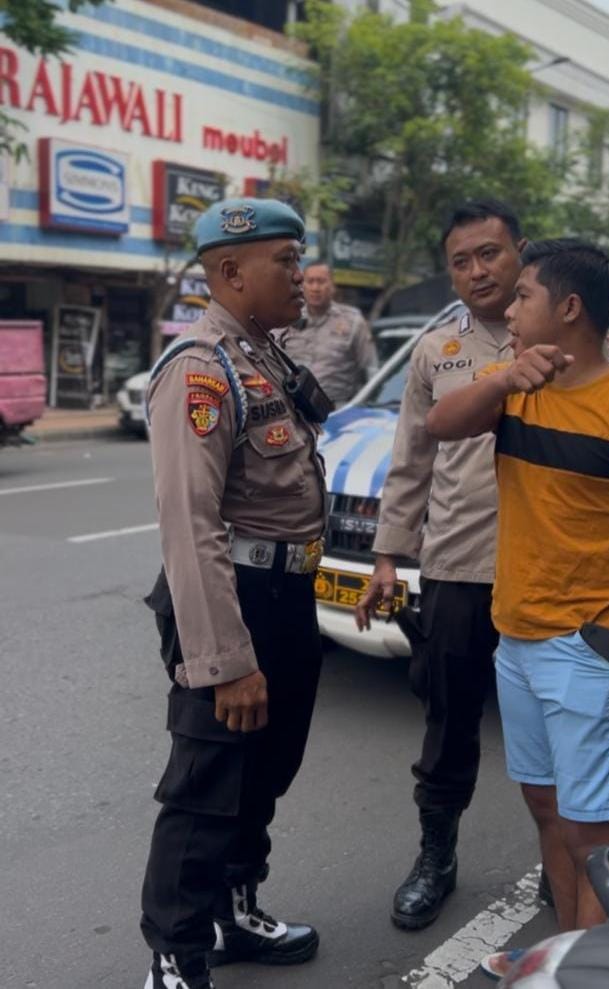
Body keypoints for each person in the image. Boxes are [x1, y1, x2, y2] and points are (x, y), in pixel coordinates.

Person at [426, 239, 609, 978]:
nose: (508, 308)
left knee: (594, 835)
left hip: (595, 646)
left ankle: (603, 970)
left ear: (569, 308)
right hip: (516, 637)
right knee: (548, 810)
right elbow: (438, 424)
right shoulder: (512, 384)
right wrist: (498, 385)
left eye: (522, 296)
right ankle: (564, 957)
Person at [140, 197, 328, 989]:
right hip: (234, 598)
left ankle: (233, 909)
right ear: (229, 272)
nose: (301, 276)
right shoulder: (201, 368)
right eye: (286, 262)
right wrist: (224, 660)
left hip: (289, 596)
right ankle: (174, 956)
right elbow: (191, 524)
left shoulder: (265, 354)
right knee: (207, 784)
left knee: (264, 771)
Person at [355, 199, 526, 930]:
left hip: (549, 568)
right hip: (458, 563)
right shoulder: (435, 351)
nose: (477, 270)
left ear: (520, 251)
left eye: (489, 253)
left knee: (555, 721)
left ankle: (569, 850)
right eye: (462, 260)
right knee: (449, 720)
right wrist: (389, 557)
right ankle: (436, 859)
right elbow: (410, 461)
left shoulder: (574, 335)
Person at [273, 259, 377, 406]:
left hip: (338, 411)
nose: (316, 288)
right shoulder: (287, 319)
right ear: (302, 285)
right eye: (310, 281)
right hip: (294, 408)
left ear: (332, 286)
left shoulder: (353, 321)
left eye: (321, 282)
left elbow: (370, 370)